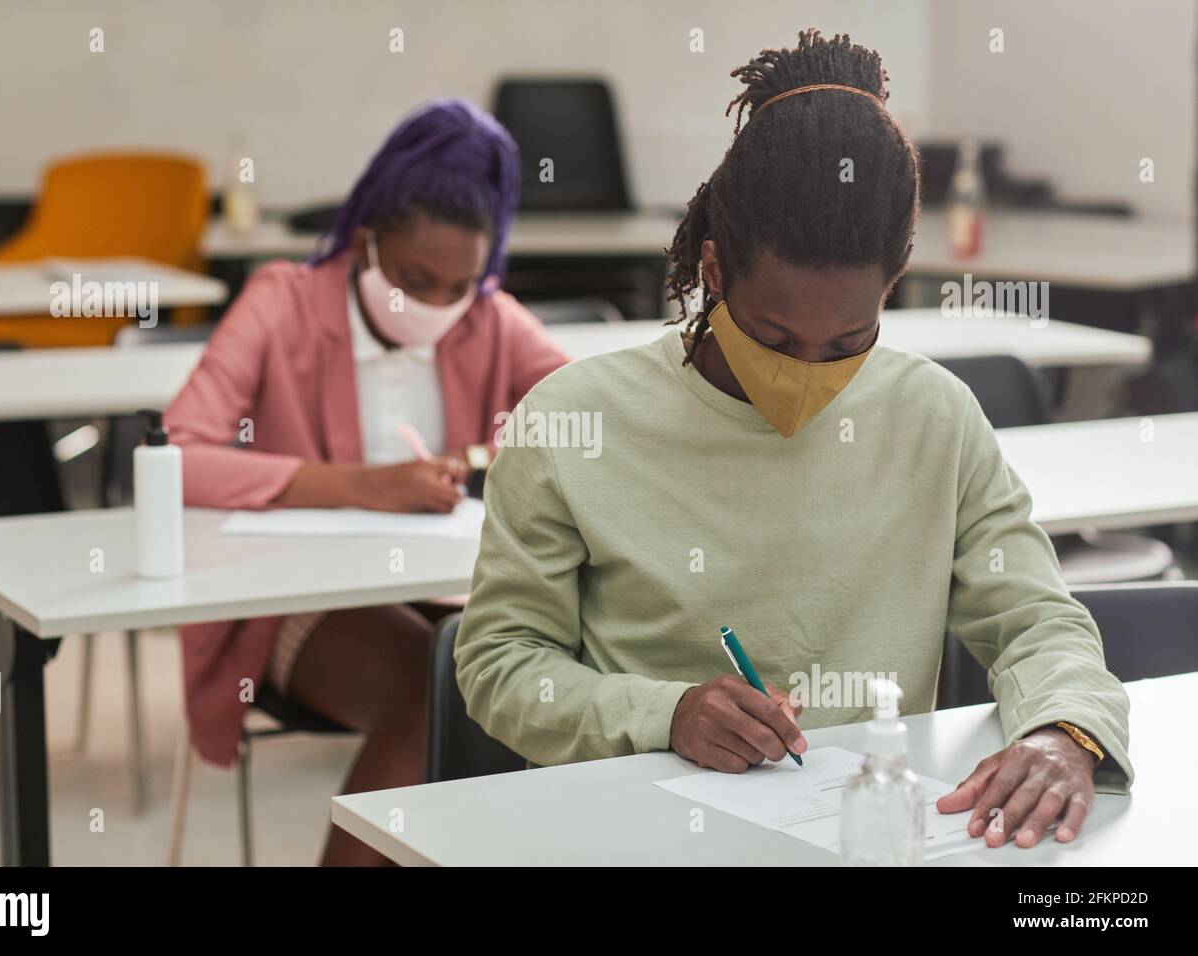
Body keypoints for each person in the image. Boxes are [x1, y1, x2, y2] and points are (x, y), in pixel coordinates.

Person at [455, 30, 1132, 852]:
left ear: (893, 284)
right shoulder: (576, 421)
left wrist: (1064, 731)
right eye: (773, 336)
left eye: (849, 342)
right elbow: (499, 661)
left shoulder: (932, 415)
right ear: (712, 269)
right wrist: (662, 713)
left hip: (865, 832)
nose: (808, 371)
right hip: (635, 834)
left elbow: (1036, 619)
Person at [164, 99, 569, 865]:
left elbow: (594, 419)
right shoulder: (281, 301)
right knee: (441, 692)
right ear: (365, 241)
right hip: (294, 598)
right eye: (415, 279)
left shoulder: (490, 318)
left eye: (460, 286)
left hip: (442, 585)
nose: (437, 306)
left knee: (529, 679)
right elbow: (175, 453)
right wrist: (359, 484)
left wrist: (501, 452)